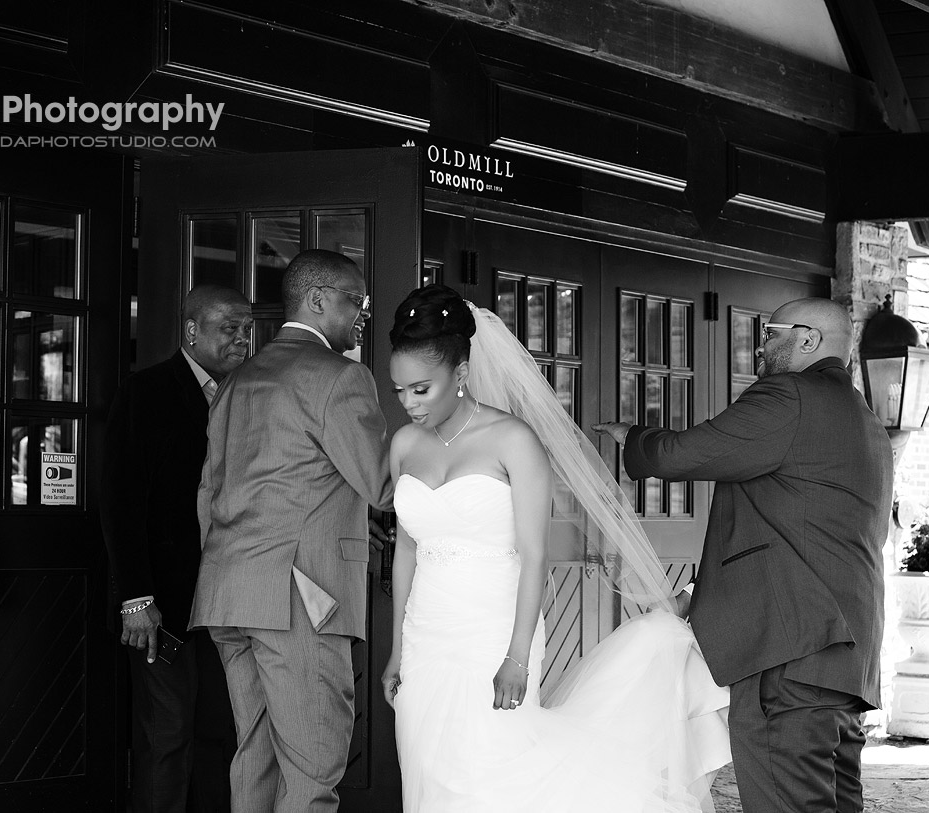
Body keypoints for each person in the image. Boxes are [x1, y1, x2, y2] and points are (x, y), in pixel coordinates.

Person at [382, 284, 730, 813]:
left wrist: (517, 656)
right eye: (400, 390)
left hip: (496, 628)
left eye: (420, 389)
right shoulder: (404, 445)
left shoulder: (513, 440)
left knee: (493, 763)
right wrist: (395, 650)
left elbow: (534, 556)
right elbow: (406, 548)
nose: (408, 404)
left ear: (460, 375)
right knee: (428, 765)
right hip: (424, 633)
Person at [594, 297, 895, 813]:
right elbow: (797, 530)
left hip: (792, 648)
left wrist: (633, 439)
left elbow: (687, 452)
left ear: (808, 340)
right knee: (837, 803)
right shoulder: (864, 419)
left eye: (771, 332)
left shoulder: (791, 396)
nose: (760, 343)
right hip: (844, 652)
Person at [190, 249, 394, 813]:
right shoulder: (341, 377)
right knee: (312, 769)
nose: (364, 313)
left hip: (230, 593)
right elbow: (382, 485)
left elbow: (209, 493)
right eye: (357, 300)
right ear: (319, 299)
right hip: (301, 599)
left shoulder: (238, 380)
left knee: (255, 760)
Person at [100, 284, 250, 813]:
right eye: (228, 326)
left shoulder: (250, 392)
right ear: (191, 330)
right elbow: (122, 503)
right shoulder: (146, 393)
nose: (241, 337)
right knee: (167, 737)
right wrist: (136, 599)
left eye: (247, 327)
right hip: (163, 605)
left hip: (231, 601)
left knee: (222, 736)